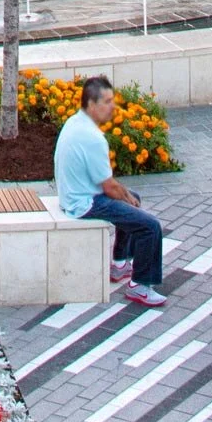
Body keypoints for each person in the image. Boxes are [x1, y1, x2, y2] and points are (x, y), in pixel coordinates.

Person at [56, 76, 167, 308]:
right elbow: (109, 187)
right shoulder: (93, 138)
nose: (112, 106)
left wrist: (128, 198)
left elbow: (110, 186)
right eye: (107, 101)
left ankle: (119, 264)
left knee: (132, 199)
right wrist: (128, 200)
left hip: (72, 196)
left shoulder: (75, 123)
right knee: (150, 226)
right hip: (84, 203)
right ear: (92, 105)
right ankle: (140, 285)